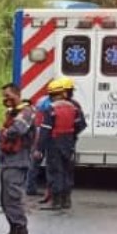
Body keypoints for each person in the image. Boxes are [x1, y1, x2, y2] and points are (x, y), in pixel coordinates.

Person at [0, 83, 36, 234]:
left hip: (18, 160)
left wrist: (1, 132)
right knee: (5, 200)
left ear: (17, 94)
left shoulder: (26, 112)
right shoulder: (12, 113)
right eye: (4, 96)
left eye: (8, 96)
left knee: (13, 198)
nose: (6, 99)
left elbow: (17, 130)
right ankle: (13, 232)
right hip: (8, 160)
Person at [35, 78, 86, 211]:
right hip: (69, 142)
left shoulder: (50, 108)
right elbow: (81, 125)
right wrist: (71, 136)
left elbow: (45, 130)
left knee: (54, 171)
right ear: (64, 93)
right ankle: (66, 200)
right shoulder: (74, 107)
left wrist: (39, 148)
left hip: (54, 143)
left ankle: (56, 201)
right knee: (67, 171)